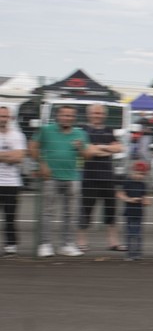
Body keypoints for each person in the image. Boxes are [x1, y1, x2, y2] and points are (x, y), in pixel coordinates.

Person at [30, 104, 87, 257]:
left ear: (74, 118)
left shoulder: (80, 134)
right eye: (64, 115)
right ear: (58, 116)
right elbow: (33, 147)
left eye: (70, 115)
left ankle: (67, 244)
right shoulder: (46, 130)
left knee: (71, 213)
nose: (67, 118)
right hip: (51, 177)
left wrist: (81, 148)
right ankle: (45, 244)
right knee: (48, 212)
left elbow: (87, 156)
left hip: (73, 178)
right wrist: (42, 164)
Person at [78, 103, 124, 253]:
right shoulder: (83, 130)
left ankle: (113, 242)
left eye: (100, 113)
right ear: (89, 114)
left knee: (111, 210)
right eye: (95, 113)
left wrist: (99, 148)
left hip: (108, 176)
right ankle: (82, 241)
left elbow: (119, 148)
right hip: (89, 176)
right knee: (86, 209)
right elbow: (88, 151)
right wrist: (106, 148)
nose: (97, 116)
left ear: (104, 115)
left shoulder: (109, 130)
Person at [0, 104, 24, 255]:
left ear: (10, 118)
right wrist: (9, 156)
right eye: (0, 116)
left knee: (10, 216)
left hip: (11, 183)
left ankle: (11, 245)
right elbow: (13, 156)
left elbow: (19, 157)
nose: (2, 119)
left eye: (5, 116)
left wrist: (4, 156)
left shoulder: (17, 135)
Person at [116, 161, 151, 261]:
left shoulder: (143, 185)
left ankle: (138, 253)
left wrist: (146, 201)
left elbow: (145, 197)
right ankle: (129, 254)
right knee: (130, 234)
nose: (140, 176)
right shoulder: (127, 182)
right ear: (133, 171)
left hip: (139, 213)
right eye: (138, 173)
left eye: (142, 174)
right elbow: (120, 194)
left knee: (138, 234)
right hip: (129, 212)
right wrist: (130, 199)